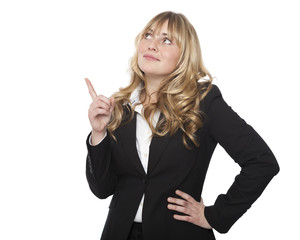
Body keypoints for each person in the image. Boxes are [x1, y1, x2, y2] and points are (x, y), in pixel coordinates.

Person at [84, 11, 279, 240]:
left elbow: (262, 161)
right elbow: (102, 189)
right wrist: (99, 134)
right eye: (148, 35)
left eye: (166, 40)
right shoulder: (121, 106)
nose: (152, 45)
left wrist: (215, 215)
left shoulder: (204, 101)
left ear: (184, 56)